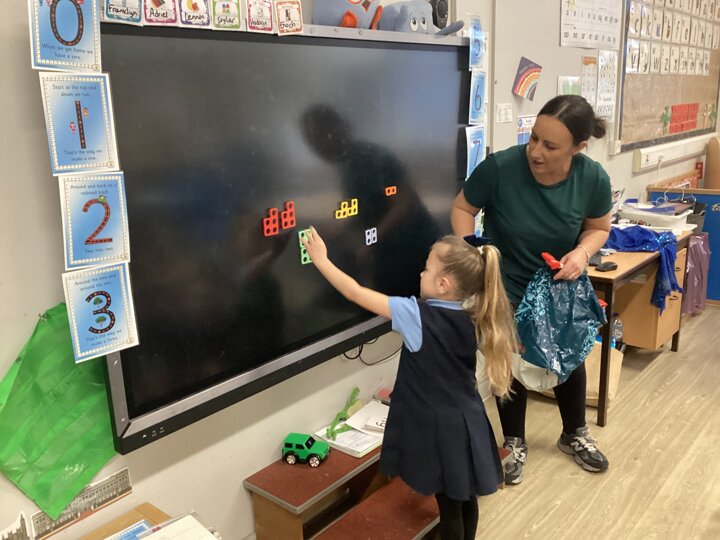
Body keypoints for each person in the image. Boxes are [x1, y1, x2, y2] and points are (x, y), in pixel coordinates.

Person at [302, 226, 516, 540]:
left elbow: (355, 293)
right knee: (465, 496)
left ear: (443, 284)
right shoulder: (472, 314)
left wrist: (321, 260)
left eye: (426, 269)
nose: (420, 273)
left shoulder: (415, 315)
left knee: (449, 507)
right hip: (468, 420)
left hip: (440, 430)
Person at [450, 95, 612, 485]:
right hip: (505, 282)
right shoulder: (500, 168)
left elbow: (598, 228)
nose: (536, 152)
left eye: (550, 146)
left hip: (558, 283)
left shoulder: (592, 178)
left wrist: (581, 254)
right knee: (509, 360)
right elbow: (462, 208)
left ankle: (574, 434)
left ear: (578, 148)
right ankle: (513, 442)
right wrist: (474, 255)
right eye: (533, 138)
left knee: (567, 357)